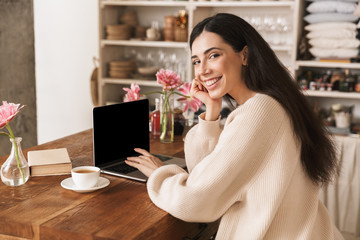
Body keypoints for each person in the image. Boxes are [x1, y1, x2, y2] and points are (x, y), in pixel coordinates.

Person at [125, 13, 343, 239]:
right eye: (197, 61)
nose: (202, 70)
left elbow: (196, 201)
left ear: (245, 55)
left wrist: (159, 174)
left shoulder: (259, 112)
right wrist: (211, 111)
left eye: (213, 55)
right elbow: (208, 175)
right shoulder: (271, 102)